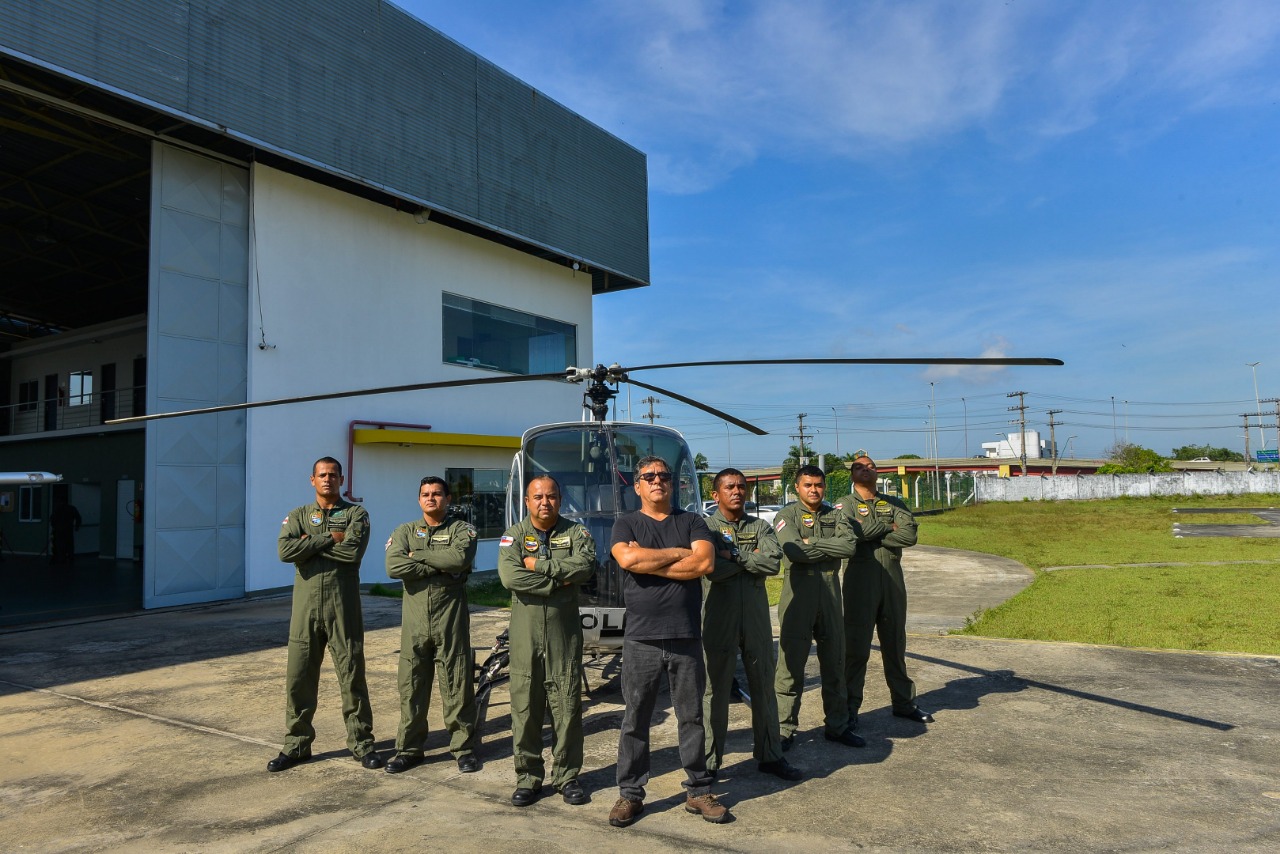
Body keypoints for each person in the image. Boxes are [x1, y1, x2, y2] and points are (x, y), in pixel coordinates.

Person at [608, 455, 729, 827]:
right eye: (649, 476)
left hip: (685, 634)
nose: (657, 480)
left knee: (691, 717)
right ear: (638, 485)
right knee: (635, 718)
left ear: (672, 483)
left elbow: (704, 564)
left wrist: (650, 561)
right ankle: (630, 794)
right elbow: (628, 560)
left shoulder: (692, 521)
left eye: (663, 475)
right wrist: (678, 553)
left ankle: (698, 791)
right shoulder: (626, 523)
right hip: (641, 638)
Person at [269, 457, 382, 772]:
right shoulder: (298, 515)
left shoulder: (356, 514)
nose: (328, 479)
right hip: (305, 610)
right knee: (299, 678)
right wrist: (330, 538)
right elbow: (284, 551)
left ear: (342, 479)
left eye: (333, 474)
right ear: (312, 479)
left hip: (342, 606)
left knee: (352, 675)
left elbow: (352, 551)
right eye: (322, 475)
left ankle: (362, 744)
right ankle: (296, 745)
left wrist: (308, 544)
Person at [497, 475, 597, 807]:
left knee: (566, 706)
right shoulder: (513, 536)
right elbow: (510, 577)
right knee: (524, 707)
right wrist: (557, 582)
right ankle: (528, 777)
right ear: (527, 501)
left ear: (560, 499)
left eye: (551, 496)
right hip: (525, 635)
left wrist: (537, 565)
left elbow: (584, 567)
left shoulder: (576, 533)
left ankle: (567, 776)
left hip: (563, 634)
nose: (545, 502)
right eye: (538, 497)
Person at [702, 468, 802, 782]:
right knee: (714, 689)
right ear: (715, 495)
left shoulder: (760, 526)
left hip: (756, 618)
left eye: (741, 487)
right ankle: (709, 762)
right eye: (730, 487)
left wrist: (733, 555)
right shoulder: (705, 528)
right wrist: (749, 558)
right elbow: (711, 569)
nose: (737, 492)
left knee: (763, 685)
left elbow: (772, 563)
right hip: (718, 617)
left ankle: (770, 755)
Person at [384, 476, 481, 774]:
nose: (431, 498)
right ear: (419, 499)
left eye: (437, 494)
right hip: (414, 622)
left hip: (450, 618)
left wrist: (417, 557)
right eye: (425, 494)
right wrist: (437, 564)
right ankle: (409, 749)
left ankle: (463, 748)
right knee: (411, 685)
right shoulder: (404, 531)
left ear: (448, 499)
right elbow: (393, 566)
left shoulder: (462, 530)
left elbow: (459, 559)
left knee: (457, 683)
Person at [836, 455, 933, 726]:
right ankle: (849, 710)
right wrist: (888, 527)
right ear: (852, 474)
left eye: (870, 466)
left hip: (892, 578)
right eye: (859, 467)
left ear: (877, 473)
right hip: (860, 579)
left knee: (895, 644)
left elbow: (909, 535)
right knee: (856, 648)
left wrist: (870, 531)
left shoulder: (893, 503)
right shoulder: (844, 504)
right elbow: (852, 533)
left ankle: (903, 703)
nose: (865, 470)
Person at [772, 464, 863, 750]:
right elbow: (793, 550)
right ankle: (784, 728)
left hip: (830, 594)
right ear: (797, 488)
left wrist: (810, 541)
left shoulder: (836, 515)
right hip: (798, 595)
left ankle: (837, 725)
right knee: (790, 666)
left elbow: (849, 547)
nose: (814, 490)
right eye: (808, 485)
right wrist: (825, 546)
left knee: (835, 663)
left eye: (818, 485)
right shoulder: (786, 515)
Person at [49, 496, 82, 564]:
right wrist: (77, 526)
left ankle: (61, 560)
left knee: (60, 546)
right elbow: (78, 517)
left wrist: (54, 527)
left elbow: (52, 519)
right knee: (70, 545)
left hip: (59, 531)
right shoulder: (72, 508)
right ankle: (70, 559)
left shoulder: (57, 509)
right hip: (68, 530)